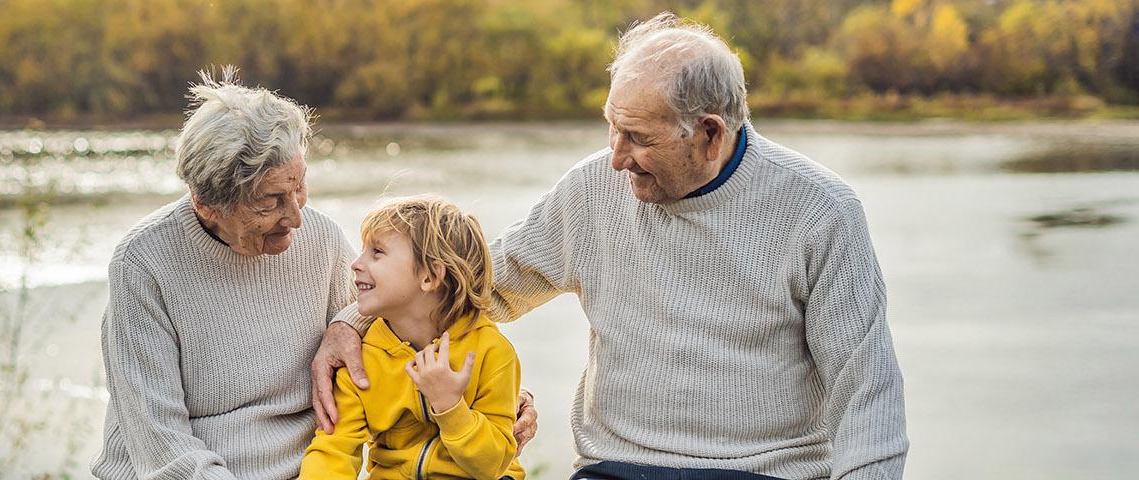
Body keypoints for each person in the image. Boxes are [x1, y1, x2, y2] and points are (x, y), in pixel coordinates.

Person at [313, 13, 909, 480]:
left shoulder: (821, 212)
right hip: (614, 470)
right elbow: (471, 288)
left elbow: (867, 395)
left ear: (709, 135)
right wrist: (350, 322)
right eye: (611, 127)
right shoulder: (594, 188)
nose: (616, 157)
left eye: (638, 138)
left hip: (762, 473)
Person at [93, 70, 537, 480]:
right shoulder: (144, 264)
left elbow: (390, 316)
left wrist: (484, 399)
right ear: (206, 204)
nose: (296, 217)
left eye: (299, 186)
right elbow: (162, 447)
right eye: (270, 201)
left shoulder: (319, 238)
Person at [301, 196, 525, 480]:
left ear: (430, 277)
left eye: (377, 252)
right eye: (362, 250)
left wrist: (450, 406)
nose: (356, 263)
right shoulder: (361, 358)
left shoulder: (491, 353)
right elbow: (334, 450)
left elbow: (492, 464)